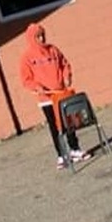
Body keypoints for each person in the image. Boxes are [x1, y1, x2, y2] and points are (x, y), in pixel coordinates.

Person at [19, 22, 90, 169]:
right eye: (38, 36)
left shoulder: (53, 50)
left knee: (69, 121)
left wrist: (67, 75)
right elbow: (26, 79)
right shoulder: (26, 57)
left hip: (62, 94)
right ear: (32, 38)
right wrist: (37, 87)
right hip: (46, 98)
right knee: (54, 125)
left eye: (43, 34)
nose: (42, 38)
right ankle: (61, 155)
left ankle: (75, 149)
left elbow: (65, 64)